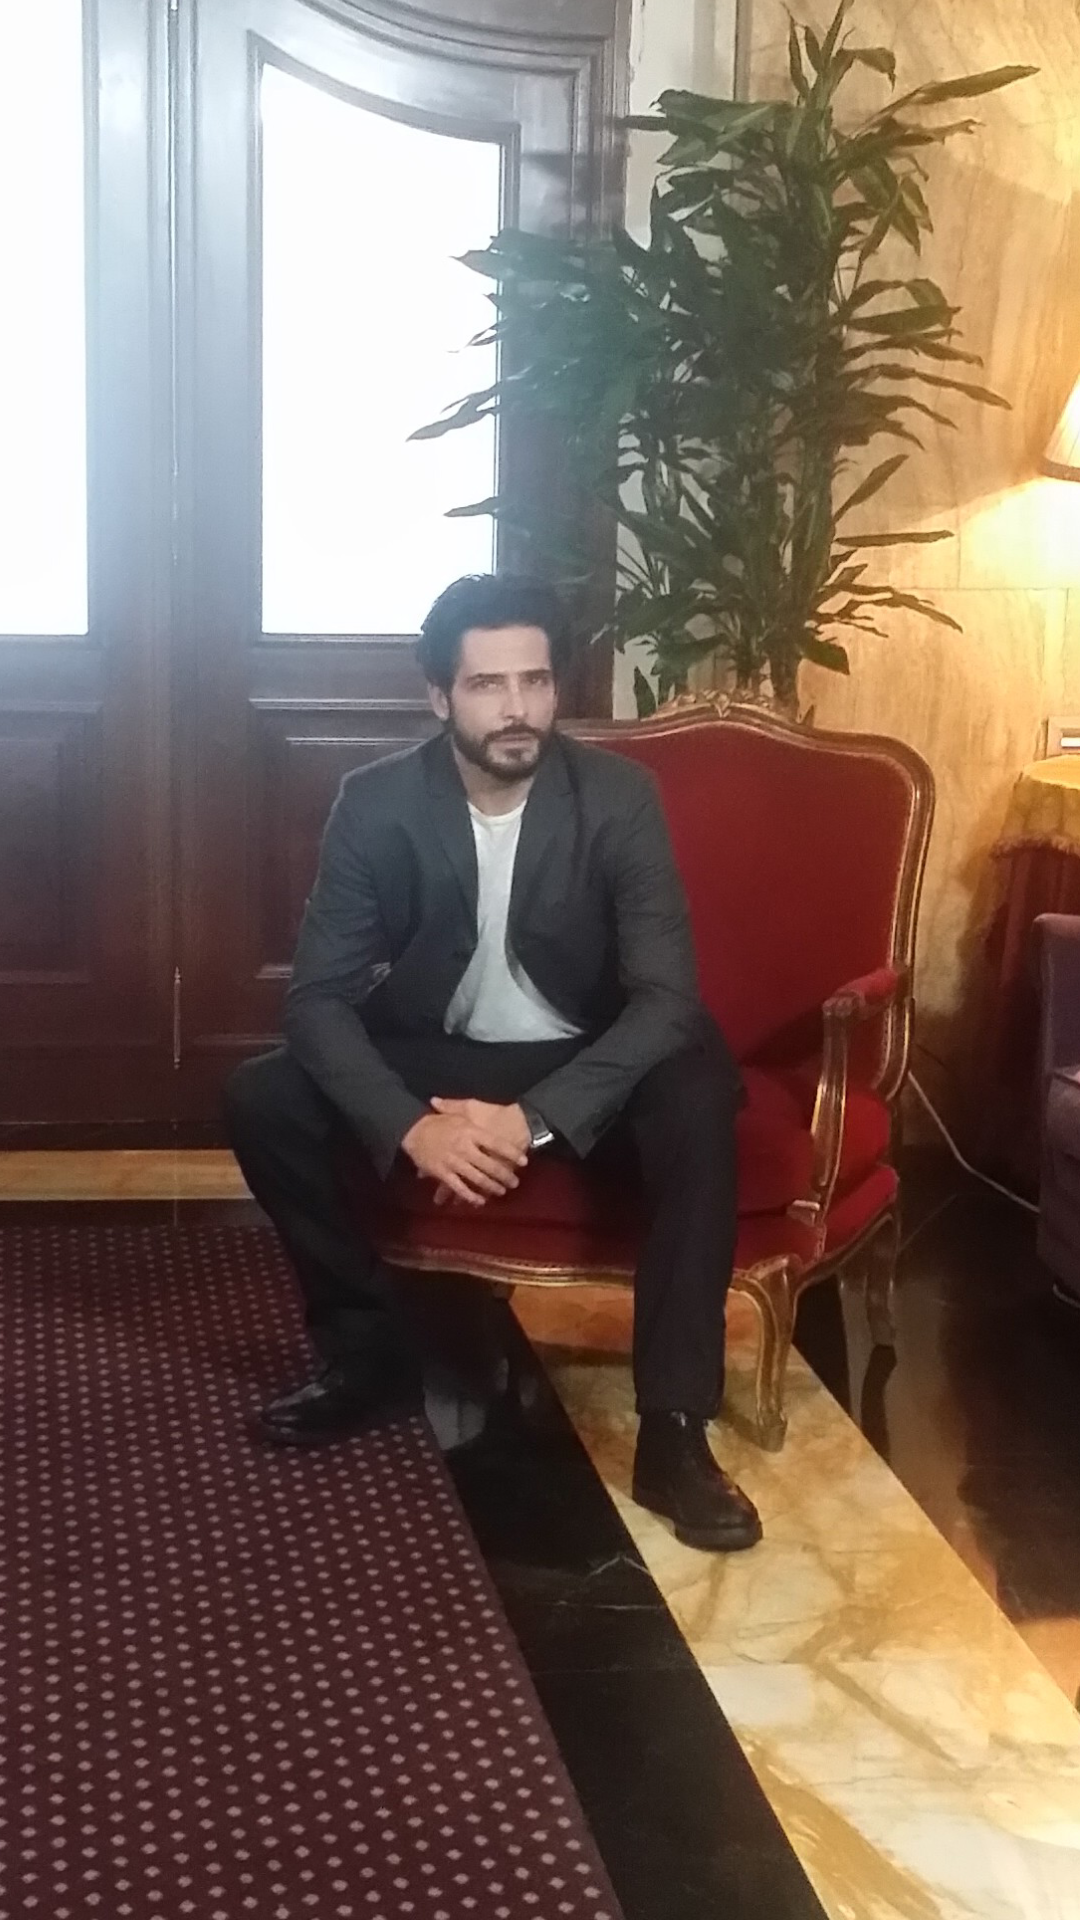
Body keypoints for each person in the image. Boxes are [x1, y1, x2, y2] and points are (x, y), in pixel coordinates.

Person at [224, 574, 761, 1553]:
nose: (517, 708)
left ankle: (675, 1432)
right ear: (439, 697)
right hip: (443, 1047)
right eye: (487, 684)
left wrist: (534, 1120)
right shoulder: (377, 803)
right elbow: (316, 999)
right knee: (265, 1098)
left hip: (586, 1050)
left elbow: (665, 999)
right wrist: (411, 1125)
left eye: (535, 681)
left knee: (694, 1091)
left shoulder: (617, 799)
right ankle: (368, 1355)